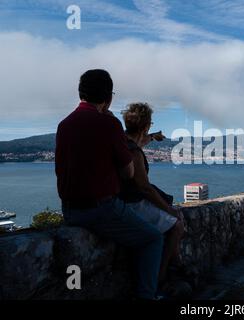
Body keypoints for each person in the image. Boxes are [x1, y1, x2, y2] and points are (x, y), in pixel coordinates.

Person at [55, 69, 164, 300]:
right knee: (153, 238)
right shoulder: (109, 124)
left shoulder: (64, 125)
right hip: (100, 209)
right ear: (109, 98)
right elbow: (128, 173)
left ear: (80, 93)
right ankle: (147, 296)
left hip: (69, 210)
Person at [119, 102, 185, 286]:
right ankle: (162, 274)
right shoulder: (133, 153)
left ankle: (174, 266)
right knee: (177, 225)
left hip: (123, 199)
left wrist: (153, 137)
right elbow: (144, 188)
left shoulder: (123, 140)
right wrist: (169, 210)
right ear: (146, 125)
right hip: (132, 203)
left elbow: (140, 140)